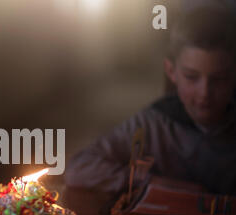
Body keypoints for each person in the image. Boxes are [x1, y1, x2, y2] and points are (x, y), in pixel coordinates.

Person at [65, 7, 236, 196]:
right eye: (191, 77)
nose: (205, 93)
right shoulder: (153, 124)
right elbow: (79, 168)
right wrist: (150, 182)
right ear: (171, 71)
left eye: (219, 79)